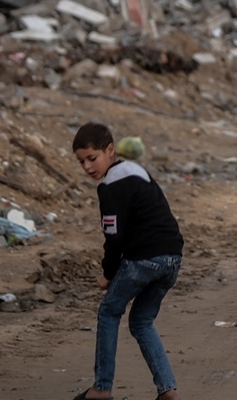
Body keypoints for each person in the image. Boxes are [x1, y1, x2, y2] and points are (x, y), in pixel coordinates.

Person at [72, 122, 184, 400]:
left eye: (92, 158)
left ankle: (101, 387)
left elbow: (114, 237)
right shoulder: (135, 170)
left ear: (110, 150)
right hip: (172, 257)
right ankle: (168, 390)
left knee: (109, 312)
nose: (87, 167)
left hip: (144, 259)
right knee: (142, 321)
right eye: (81, 161)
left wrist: (108, 274)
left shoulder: (110, 185)